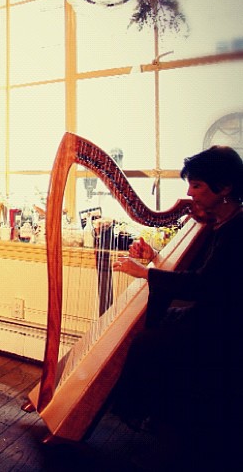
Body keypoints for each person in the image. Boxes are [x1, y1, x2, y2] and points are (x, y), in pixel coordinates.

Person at [111, 145, 243, 466]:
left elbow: (204, 284)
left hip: (224, 325)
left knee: (146, 339)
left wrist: (146, 273)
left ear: (224, 188)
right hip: (214, 314)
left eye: (197, 185)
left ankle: (146, 413)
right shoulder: (222, 223)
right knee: (157, 321)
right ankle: (159, 413)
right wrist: (154, 259)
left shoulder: (236, 230)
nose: (189, 193)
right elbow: (200, 274)